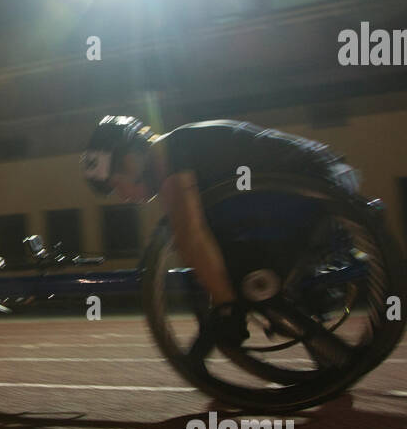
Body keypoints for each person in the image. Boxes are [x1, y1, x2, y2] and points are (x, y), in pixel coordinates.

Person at [81, 117, 360, 345]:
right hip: (325, 175)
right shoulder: (178, 148)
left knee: (222, 262)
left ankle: (307, 321)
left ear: (130, 161)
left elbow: (190, 237)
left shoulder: (168, 153)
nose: (123, 196)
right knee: (229, 262)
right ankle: (309, 321)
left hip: (314, 185)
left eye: (116, 185)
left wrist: (228, 309)